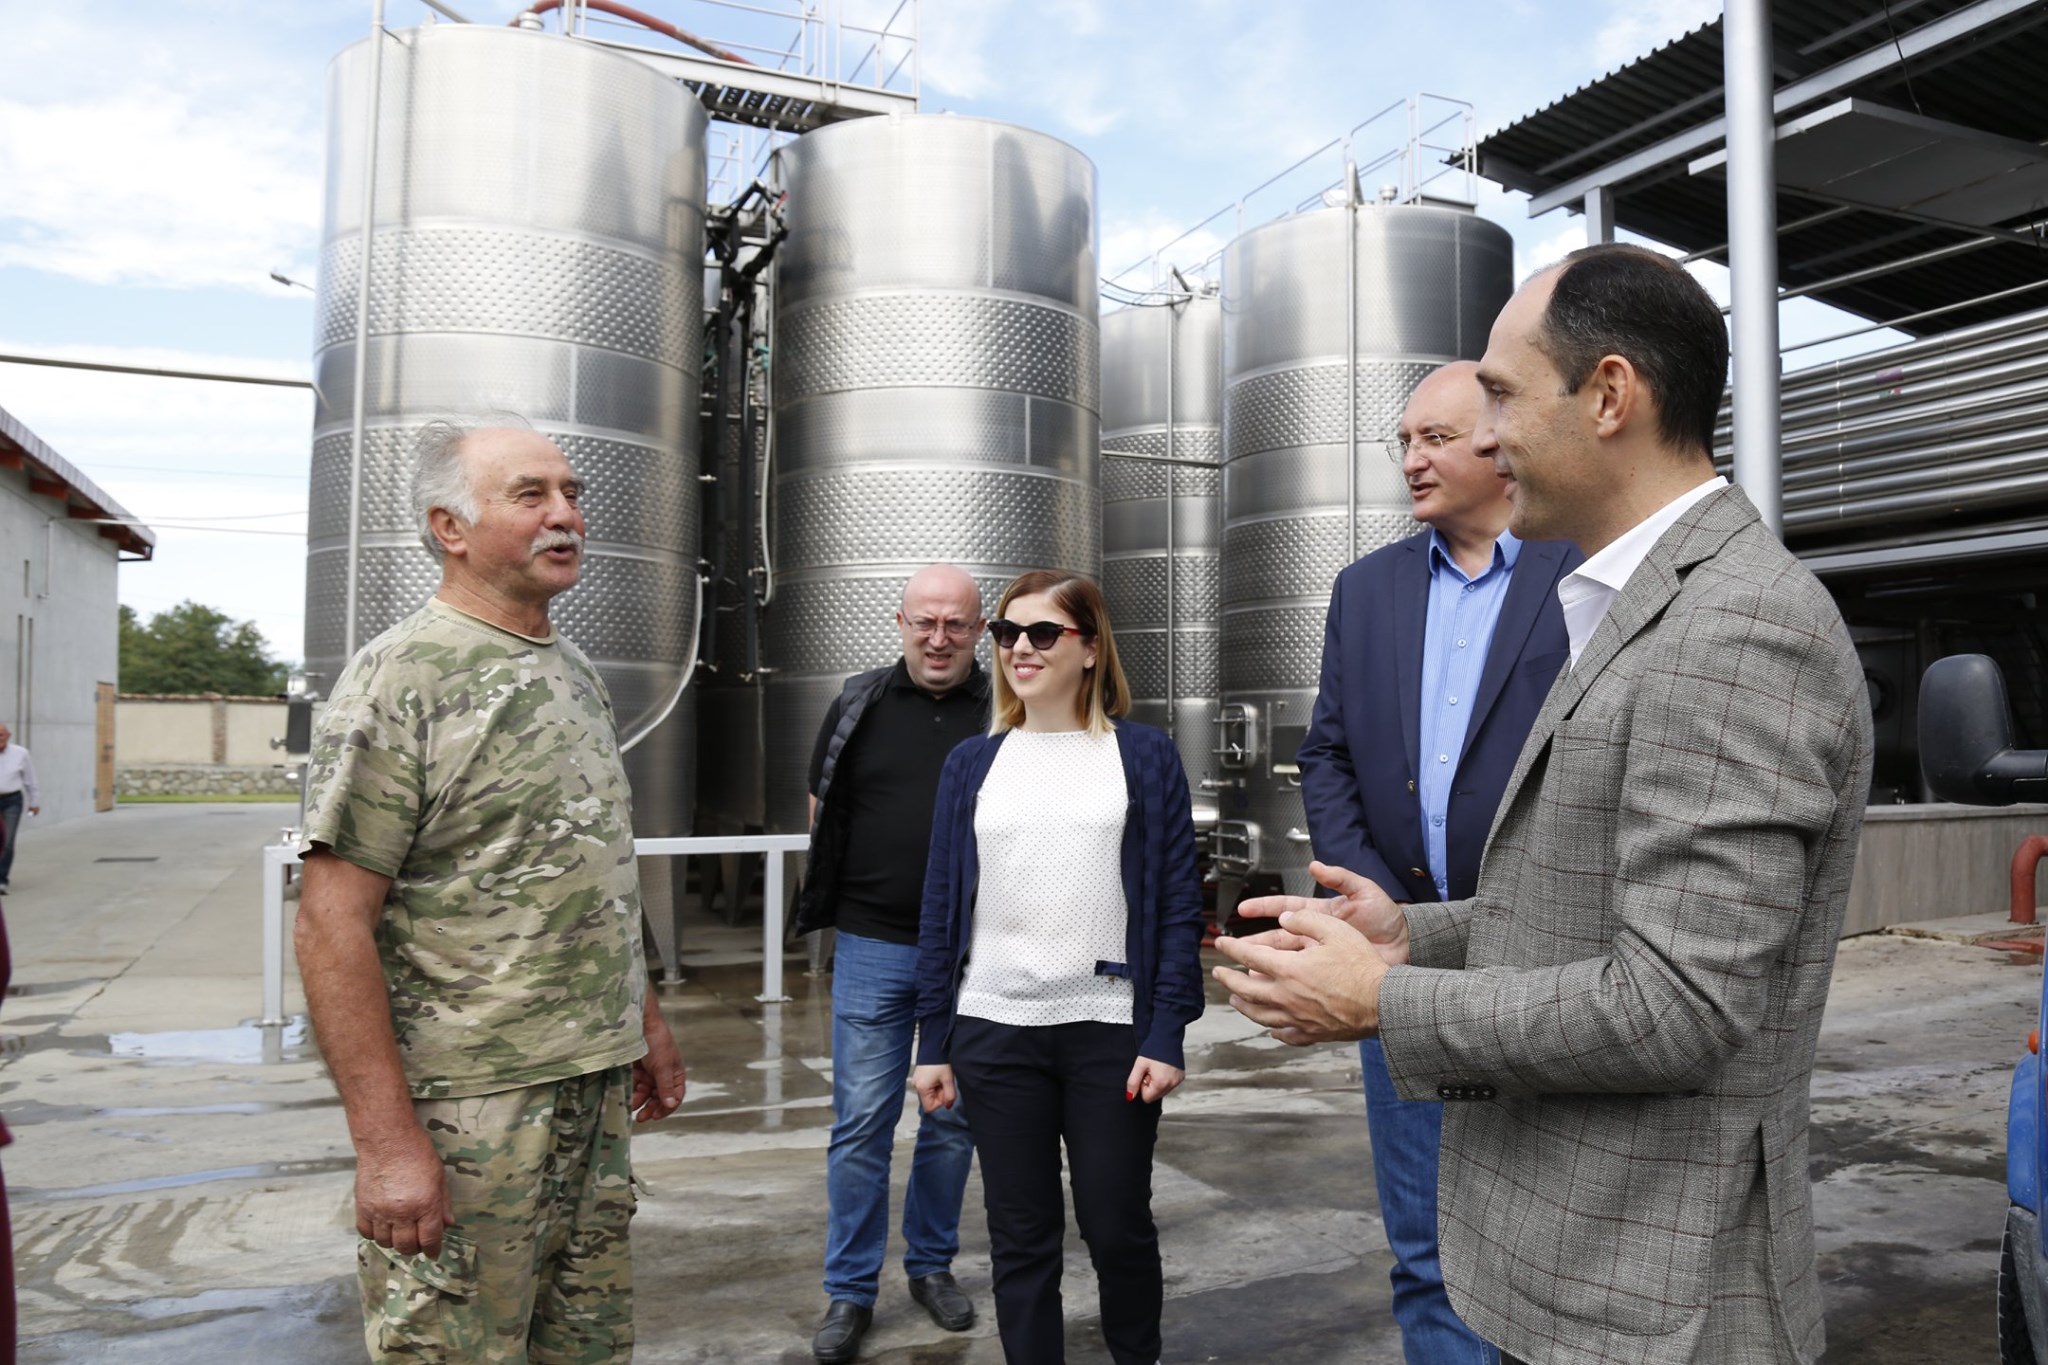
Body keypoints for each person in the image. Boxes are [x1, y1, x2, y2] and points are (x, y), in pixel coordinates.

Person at [1219, 244, 1873, 1365]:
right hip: (1584, 1273)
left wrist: (1383, 998)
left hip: (1653, 1301)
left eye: (1502, 396)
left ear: (1609, 395)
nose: (1487, 436)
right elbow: (1587, 899)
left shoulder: (1733, 630)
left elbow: (1674, 1005)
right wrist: (1411, 933)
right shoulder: (1631, 603)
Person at [294, 416, 687, 1363]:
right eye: (531, 495)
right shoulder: (401, 678)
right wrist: (387, 1145)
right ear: (450, 528)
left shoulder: (576, 673)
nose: (567, 515)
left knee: (587, 1346)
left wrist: (644, 1020)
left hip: (591, 1089)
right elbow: (330, 924)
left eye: (572, 493)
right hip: (472, 1107)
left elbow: (592, 870)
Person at [1296, 359, 1580, 1365]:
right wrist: (1371, 892)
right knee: (1427, 1250)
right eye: (1403, 442)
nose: (1411, 460)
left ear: (1498, 445)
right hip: (1400, 959)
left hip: (1547, 959)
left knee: (1558, 1248)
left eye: (1434, 438)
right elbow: (1327, 754)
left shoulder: (1582, 570)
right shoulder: (1365, 589)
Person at [912, 571, 1206, 1365]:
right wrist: (933, 1040)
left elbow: (1178, 903)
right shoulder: (973, 763)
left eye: (1043, 633)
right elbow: (941, 907)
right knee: (1021, 1237)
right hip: (993, 1030)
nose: (1020, 648)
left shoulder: (1141, 755)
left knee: (1117, 1225)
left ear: (1090, 647)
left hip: (1111, 1034)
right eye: (1007, 633)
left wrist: (1167, 1031)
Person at [794, 563, 990, 1364]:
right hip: (875, 941)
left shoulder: (1004, 707)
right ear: (900, 621)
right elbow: (822, 802)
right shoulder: (859, 701)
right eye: (925, 622)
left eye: (956, 624)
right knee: (862, 1124)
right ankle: (850, 1289)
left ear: (980, 629)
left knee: (952, 1121)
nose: (939, 638)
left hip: (973, 952)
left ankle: (931, 1266)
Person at [0, 723, 39, 894]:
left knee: (7, 841)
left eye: (1, 735)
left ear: (8, 736)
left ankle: (1, 879)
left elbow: (30, 780)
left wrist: (34, 802)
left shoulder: (20, 753)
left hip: (12, 801)